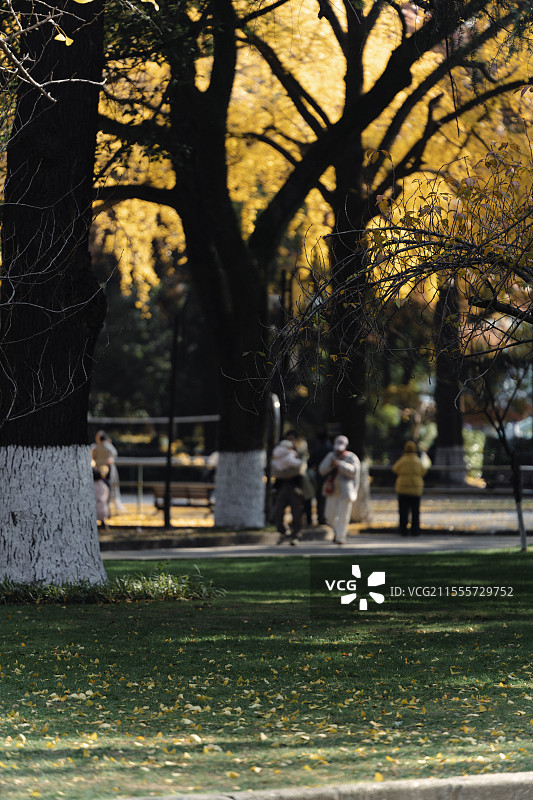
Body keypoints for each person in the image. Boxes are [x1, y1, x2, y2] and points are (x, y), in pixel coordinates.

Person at [319, 435, 361, 545]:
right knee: (329, 515)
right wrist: (331, 465)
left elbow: (354, 471)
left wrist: (340, 465)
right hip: (332, 489)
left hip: (346, 490)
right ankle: (338, 531)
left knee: (343, 515)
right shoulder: (330, 456)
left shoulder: (351, 457)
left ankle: (340, 537)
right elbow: (322, 470)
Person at [271, 432, 304, 545]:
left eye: (292, 439)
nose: (289, 442)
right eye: (287, 439)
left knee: (296, 513)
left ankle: (296, 536)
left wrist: (283, 473)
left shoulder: (299, 454)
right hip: (281, 486)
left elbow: (300, 469)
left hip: (296, 486)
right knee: (277, 512)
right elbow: (275, 470)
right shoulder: (279, 452)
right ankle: (284, 532)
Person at [392, 441, 430, 536]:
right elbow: (424, 471)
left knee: (403, 512)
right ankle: (415, 531)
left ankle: (403, 531)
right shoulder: (417, 461)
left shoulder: (402, 460)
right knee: (415, 512)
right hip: (416, 490)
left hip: (403, 489)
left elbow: (395, 469)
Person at [90, 431, 125, 514]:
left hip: (100, 471)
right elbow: (114, 454)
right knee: (109, 489)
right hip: (106, 471)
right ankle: (107, 510)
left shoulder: (96, 447)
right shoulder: (106, 446)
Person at [308, 431, 332, 525]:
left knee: (320, 498)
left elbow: (310, 463)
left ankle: (321, 518)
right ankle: (327, 518)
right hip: (331, 477)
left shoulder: (317, 449)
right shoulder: (331, 449)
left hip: (320, 477)